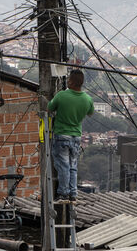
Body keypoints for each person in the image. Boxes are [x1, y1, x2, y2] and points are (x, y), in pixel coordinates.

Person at [48, 69, 94, 202]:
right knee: (73, 166)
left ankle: (63, 193)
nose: (67, 81)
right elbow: (90, 113)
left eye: (69, 79)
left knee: (63, 166)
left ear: (72, 82)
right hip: (76, 137)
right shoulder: (87, 99)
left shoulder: (62, 95)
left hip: (61, 135)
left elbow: (49, 108)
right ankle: (73, 192)